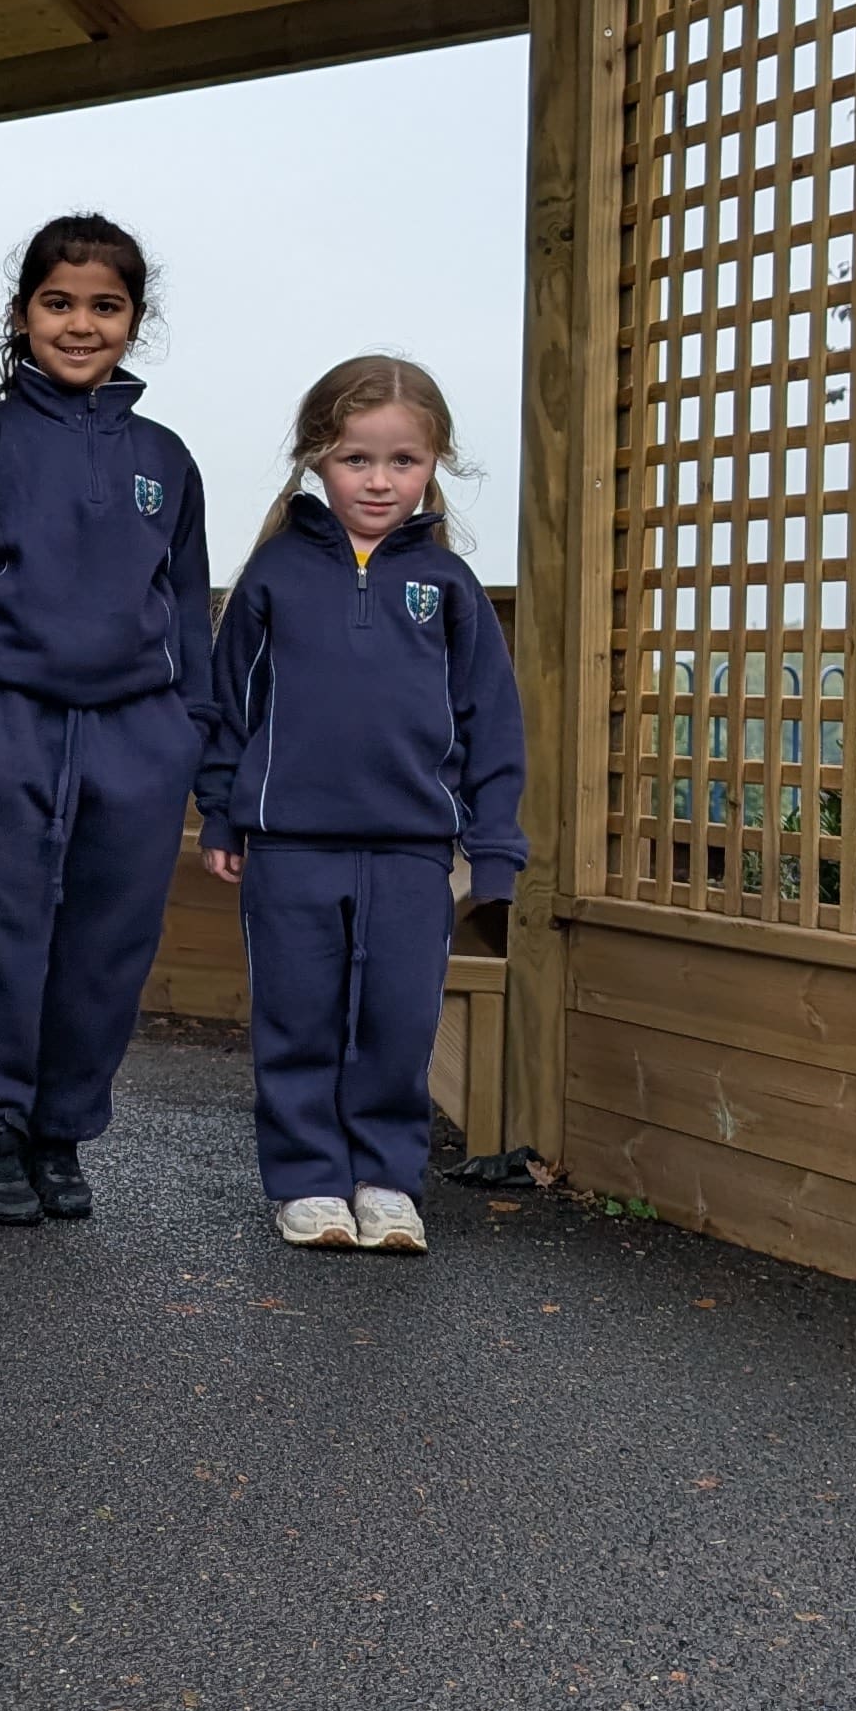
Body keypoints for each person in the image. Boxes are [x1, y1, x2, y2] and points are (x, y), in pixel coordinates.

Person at [0, 214, 212, 1226]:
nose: (79, 324)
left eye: (104, 306)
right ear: (23, 313)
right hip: (0, 722)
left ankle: (59, 1129)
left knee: (109, 939)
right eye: (58, 303)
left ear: (135, 320)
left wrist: (186, 730)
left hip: (137, 734)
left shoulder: (165, 460)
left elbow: (189, 607)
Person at [197, 355, 522, 1255]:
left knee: (398, 1021)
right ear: (315, 461)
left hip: (415, 853)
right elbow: (231, 707)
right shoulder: (271, 577)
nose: (379, 481)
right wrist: (222, 811)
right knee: (296, 1016)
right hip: (290, 848)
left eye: (403, 461)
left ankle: (385, 1181)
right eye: (354, 459)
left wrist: (492, 849)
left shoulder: (448, 588)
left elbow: (491, 723)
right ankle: (306, 1182)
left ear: (434, 466)